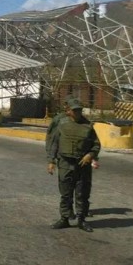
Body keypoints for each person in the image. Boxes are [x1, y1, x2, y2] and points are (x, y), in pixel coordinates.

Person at [47, 98, 100, 233]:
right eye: (75, 110)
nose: (77, 113)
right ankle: (64, 218)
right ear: (68, 111)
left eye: (79, 110)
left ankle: (81, 219)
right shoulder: (62, 124)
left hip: (82, 164)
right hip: (65, 162)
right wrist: (51, 161)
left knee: (82, 193)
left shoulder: (88, 125)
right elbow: (54, 143)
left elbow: (96, 144)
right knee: (66, 193)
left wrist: (90, 155)